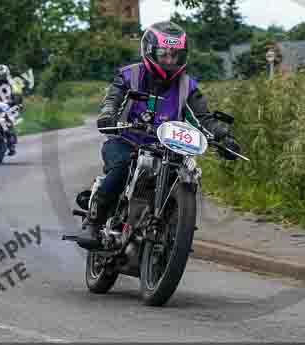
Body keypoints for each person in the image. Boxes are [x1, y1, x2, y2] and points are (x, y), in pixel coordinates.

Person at [78, 21, 241, 248]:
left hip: (167, 150)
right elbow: (112, 100)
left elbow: (204, 119)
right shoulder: (129, 76)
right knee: (122, 165)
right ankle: (94, 222)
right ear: (149, 51)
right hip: (126, 141)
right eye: (164, 54)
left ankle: (173, 227)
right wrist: (108, 115)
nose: (169, 60)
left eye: (175, 55)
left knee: (184, 174)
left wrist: (223, 136)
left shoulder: (187, 86)